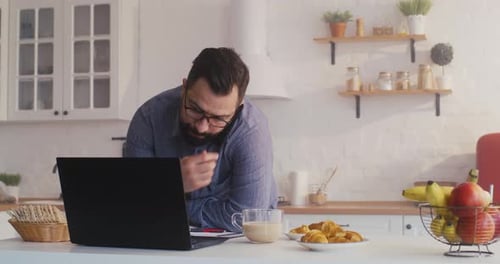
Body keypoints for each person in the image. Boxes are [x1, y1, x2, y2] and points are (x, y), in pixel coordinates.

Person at [125, 47, 278, 231]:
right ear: (184, 88)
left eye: (218, 118)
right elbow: (134, 202)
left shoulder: (251, 131)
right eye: (195, 109)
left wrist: (166, 193)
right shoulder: (148, 118)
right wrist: (173, 182)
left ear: (238, 108)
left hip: (239, 244)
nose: (202, 126)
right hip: (165, 234)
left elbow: (245, 218)